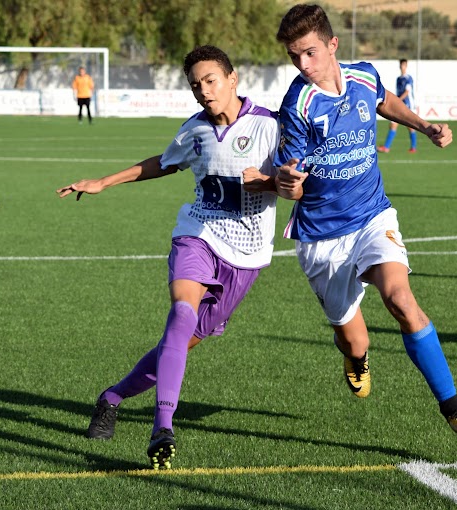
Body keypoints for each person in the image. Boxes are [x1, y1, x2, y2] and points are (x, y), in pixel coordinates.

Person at [57, 45, 305, 469]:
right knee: (181, 316)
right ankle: (162, 428)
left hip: (247, 255)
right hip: (197, 235)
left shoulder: (270, 127)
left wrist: (270, 183)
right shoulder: (195, 130)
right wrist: (105, 181)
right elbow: (162, 163)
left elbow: (294, 188)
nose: (204, 91)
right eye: (195, 85)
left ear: (233, 79)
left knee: (179, 345)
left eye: (211, 81)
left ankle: (111, 397)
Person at [268, 4, 457, 447]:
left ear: (333, 45)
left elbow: (384, 101)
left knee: (401, 299)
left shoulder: (364, 76)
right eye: (295, 57)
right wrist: (288, 184)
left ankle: (453, 407)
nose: (303, 65)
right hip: (322, 235)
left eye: (310, 53)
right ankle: (356, 357)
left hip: (372, 215)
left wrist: (424, 125)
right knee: (354, 341)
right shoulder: (298, 104)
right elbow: (288, 186)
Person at [377, 59, 417, 153]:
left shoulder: (408, 78)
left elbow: (407, 92)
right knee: (393, 124)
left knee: (410, 126)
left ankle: (413, 147)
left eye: (404, 65)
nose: (402, 67)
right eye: (401, 65)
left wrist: (398, 100)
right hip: (400, 103)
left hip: (407, 104)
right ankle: (386, 147)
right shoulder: (398, 79)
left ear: (406, 66)